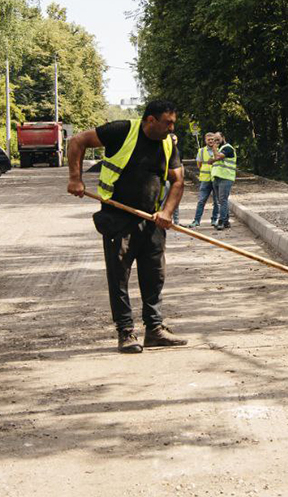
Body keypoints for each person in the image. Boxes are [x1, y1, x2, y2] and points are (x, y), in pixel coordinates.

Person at [66, 99, 190, 354]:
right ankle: (125, 332)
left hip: (152, 221)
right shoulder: (122, 130)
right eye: (167, 123)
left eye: (173, 123)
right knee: (119, 277)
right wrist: (75, 178)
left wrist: (167, 212)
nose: (171, 129)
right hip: (117, 218)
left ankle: (154, 330)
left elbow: (178, 181)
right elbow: (76, 141)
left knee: (154, 276)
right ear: (150, 120)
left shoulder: (168, 144)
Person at [188, 132, 221, 227]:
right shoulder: (201, 151)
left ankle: (214, 220)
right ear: (205, 141)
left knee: (216, 202)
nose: (210, 141)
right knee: (201, 200)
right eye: (208, 139)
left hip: (216, 179)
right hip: (205, 180)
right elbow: (199, 165)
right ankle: (196, 220)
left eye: (212, 139)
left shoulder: (219, 150)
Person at [209, 132, 236, 230]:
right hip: (217, 178)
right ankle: (226, 221)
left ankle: (221, 222)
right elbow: (213, 160)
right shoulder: (220, 149)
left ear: (223, 138)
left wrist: (214, 149)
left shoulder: (228, 148)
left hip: (225, 178)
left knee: (222, 201)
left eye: (217, 139)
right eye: (214, 139)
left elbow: (218, 157)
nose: (215, 141)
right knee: (220, 201)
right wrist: (212, 159)